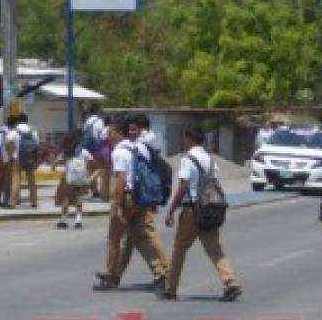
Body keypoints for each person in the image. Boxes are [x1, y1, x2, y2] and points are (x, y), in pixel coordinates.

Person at [162, 125, 241, 302]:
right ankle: (230, 282)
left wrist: (171, 210)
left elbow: (183, 187)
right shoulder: (211, 160)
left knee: (179, 250)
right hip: (209, 209)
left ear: (189, 138)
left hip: (191, 210)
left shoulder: (187, 159)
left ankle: (171, 288)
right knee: (215, 250)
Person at [94, 117, 171, 291]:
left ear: (120, 133)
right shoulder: (141, 147)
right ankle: (162, 271)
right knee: (142, 237)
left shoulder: (120, 151)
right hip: (142, 197)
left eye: (111, 132)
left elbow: (121, 179)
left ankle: (112, 276)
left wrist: (117, 204)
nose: (109, 135)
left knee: (114, 239)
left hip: (127, 198)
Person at [56, 131, 94, 229]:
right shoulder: (83, 151)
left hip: (69, 178)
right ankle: (78, 219)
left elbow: (58, 160)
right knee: (79, 197)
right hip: (81, 178)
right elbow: (91, 161)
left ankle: (64, 219)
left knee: (66, 198)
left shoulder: (67, 151)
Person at [14, 113, 40, 209]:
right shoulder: (32, 130)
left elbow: (13, 144)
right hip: (30, 158)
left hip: (19, 158)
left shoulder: (15, 131)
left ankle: (16, 200)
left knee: (17, 179)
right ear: (27, 120)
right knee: (32, 181)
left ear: (18, 121)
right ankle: (34, 201)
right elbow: (37, 144)